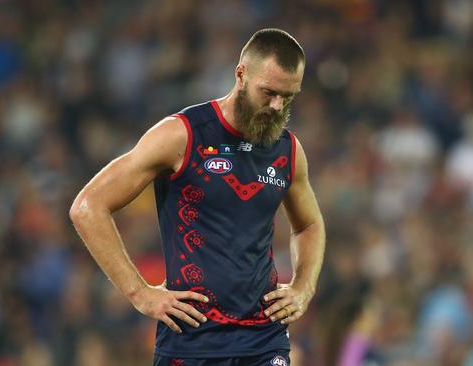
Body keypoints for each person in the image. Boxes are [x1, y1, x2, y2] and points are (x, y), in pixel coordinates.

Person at [69, 28, 325, 366]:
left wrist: (303, 288)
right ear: (241, 75)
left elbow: (309, 224)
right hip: (191, 341)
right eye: (269, 92)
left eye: (288, 97)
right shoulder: (181, 135)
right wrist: (140, 293)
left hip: (264, 339)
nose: (277, 106)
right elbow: (88, 207)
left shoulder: (288, 150)